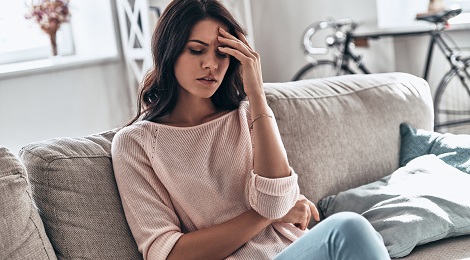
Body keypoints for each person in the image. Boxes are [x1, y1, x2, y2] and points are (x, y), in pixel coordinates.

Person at [111, 0, 391, 259]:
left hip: (294, 250)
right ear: (168, 52)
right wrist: (266, 216)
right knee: (348, 228)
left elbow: (279, 198)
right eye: (196, 50)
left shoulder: (247, 115)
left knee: (363, 235)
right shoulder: (136, 144)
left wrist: (256, 94)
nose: (211, 64)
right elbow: (169, 253)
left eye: (222, 53)